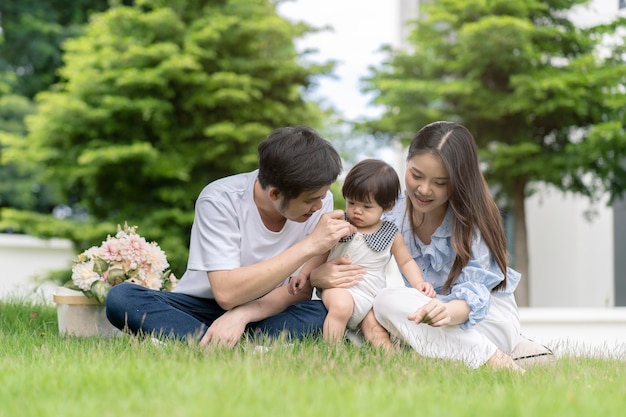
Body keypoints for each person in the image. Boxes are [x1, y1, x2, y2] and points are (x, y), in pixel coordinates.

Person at [105, 125, 363, 347]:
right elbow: (226, 294)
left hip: (267, 309)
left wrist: (242, 315)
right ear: (274, 194)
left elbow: (300, 290)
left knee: (321, 311)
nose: (319, 206)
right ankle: (240, 344)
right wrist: (309, 246)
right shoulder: (219, 199)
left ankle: (205, 343)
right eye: (310, 200)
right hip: (199, 307)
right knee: (122, 298)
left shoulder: (320, 200)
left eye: (322, 196)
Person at [370, 121, 524, 371]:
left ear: (458, 180)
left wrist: (448, 312)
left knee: (399, 313)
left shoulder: (473, 218)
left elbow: (476, 295)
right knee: (384, 301)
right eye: (416, 175)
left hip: (481, 318)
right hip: (428, 314)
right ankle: (458, 353)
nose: (423, 189)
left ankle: (491, 358)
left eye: (440, 183)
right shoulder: (392, 211)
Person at [289, 159, 435, 350]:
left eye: (367, 207)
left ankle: (393, 361)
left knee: (376, 330)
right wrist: (303, 273)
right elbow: (320, 253)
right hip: (339, 288)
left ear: (388, 206)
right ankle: (332, 350)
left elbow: (406, 261)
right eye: (351, 203)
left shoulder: (391, 233)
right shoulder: (339, 224)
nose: (356, 211)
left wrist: (419, 283)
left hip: (371, 296)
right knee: (341, 308)